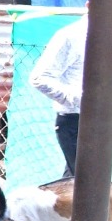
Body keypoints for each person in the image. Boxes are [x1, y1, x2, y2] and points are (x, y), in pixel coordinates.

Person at [30, 12, 89, 178]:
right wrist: (81, 100)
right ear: (89, 5)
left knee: (76, 182)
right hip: (75, 120)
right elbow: (39, 78)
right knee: (85, 184)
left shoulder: (111, 35)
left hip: (102, 119)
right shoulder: (71, 36)